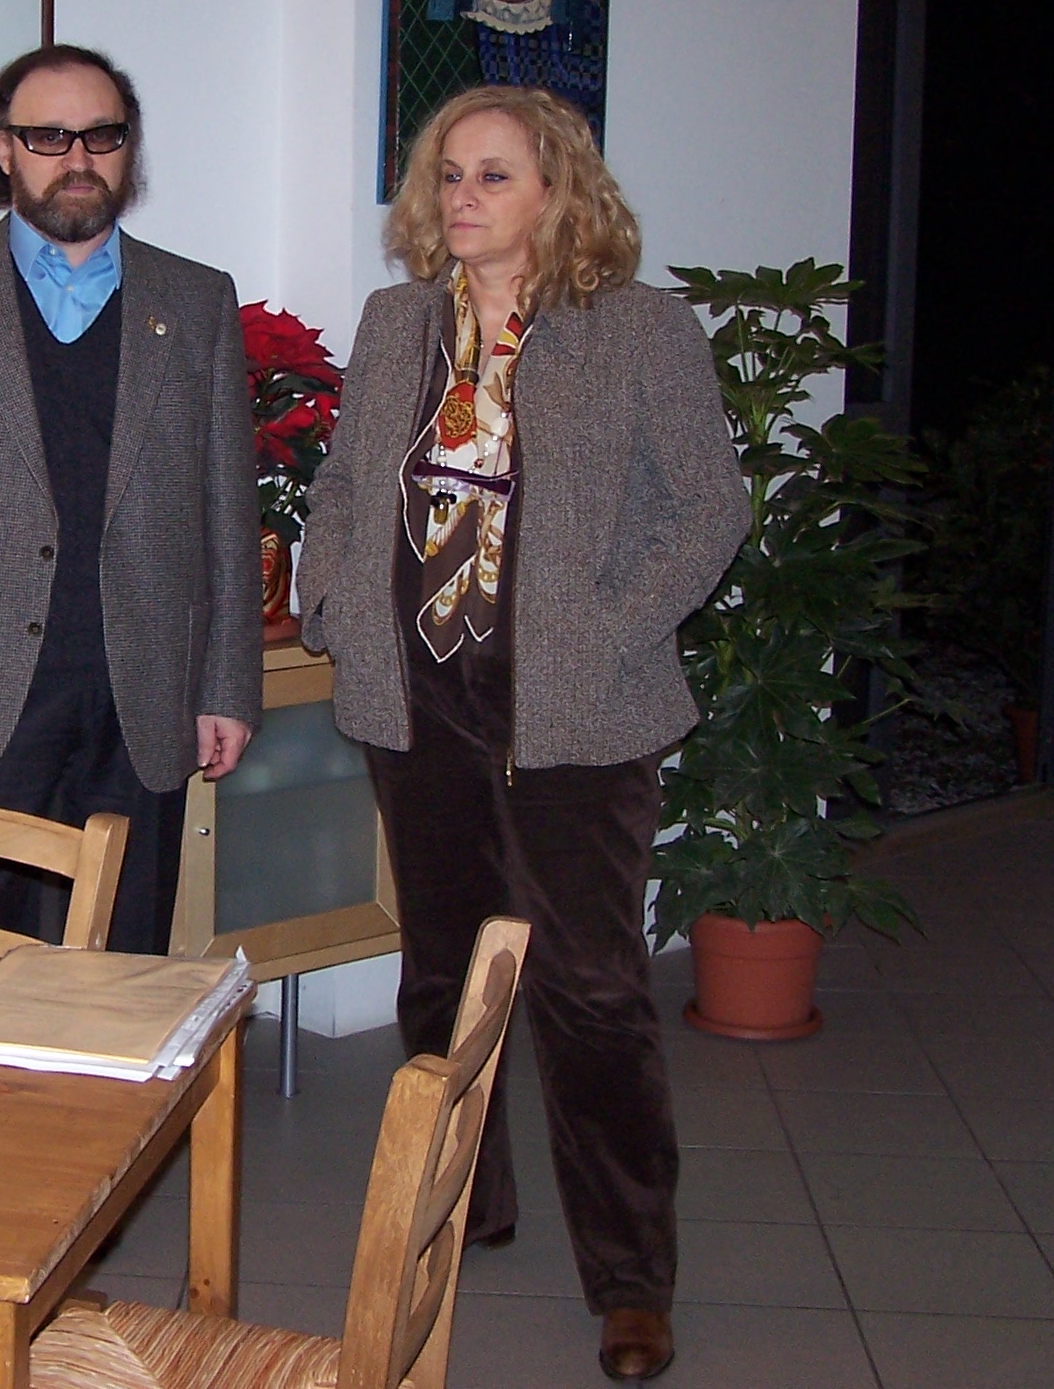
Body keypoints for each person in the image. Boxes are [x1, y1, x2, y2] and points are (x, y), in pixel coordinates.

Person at [295, 85, 743, 1382]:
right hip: (418, 698)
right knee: (441, 976)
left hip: (575, 711)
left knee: (590, 991)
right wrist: (331, 596)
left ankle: (631, 1278)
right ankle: (465, 1205)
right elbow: (345, 481)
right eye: (448, 175)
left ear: (559, 191)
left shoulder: (640, 329)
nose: (462, 198)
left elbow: (708, 509)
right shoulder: (397, 323)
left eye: (493, 175)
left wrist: (605, 631)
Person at [0, 44, 261, 955]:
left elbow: (229, 512)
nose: (78, 158)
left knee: (122, 960)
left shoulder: (196, 300)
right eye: (48, 136)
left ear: (127, 147)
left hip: (142, 697)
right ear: (4, 149)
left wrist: (227, 686)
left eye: (102, 136)